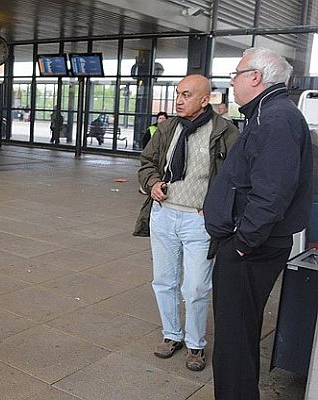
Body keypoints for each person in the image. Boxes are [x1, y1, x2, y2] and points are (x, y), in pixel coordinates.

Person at [203, 47, 312, 400]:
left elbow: (272, 194)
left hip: (250, 248)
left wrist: (241, 243)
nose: (231, 81)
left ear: (256, 77)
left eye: (236, 74)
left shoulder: (277, 118)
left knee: (234, 342)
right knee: (239, 335)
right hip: (249, 244)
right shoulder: (267, 114)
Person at [133, 74, 238, 371]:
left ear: (205, 100)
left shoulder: (225, 132)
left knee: (195, 288)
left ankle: (196, 344)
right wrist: (152, 183)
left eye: (187, 95)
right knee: (164, 282)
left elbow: (235, 179)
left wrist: (216, 209)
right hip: (163, 215)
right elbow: (146, 164)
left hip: (199, 221)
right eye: (178, 93)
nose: (179, 100)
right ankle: (171, 335)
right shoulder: (167, 128)